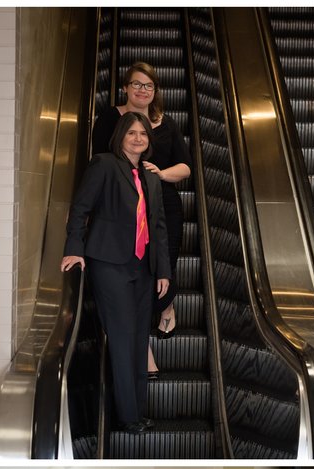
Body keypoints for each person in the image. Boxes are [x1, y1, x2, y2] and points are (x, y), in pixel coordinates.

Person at [62, 111, 172, 433]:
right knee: (123, 337)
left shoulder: (151, 177)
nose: (138, 138)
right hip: (109, 263)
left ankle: (138, 410)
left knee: (139, 339)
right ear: (120, 137)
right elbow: (81, 207)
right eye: (131, 133)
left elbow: (159, 227)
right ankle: (128, 416)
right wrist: (73, 247)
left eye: (143, 134)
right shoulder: (104, 164)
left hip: (144, 267)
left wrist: (163, 271)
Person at [92, 61, 191, 379]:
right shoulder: (111, 118)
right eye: (136, 84)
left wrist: (160, 174)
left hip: (163, 206)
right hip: (122, 213)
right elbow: (97, 161)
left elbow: (186, 167)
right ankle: (144, 348)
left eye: (148, 86)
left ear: (155, 90)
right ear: (125, 87)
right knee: (138, 277)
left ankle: (166, 302)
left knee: (163, 267)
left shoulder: (167, 123)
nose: (142, 91)